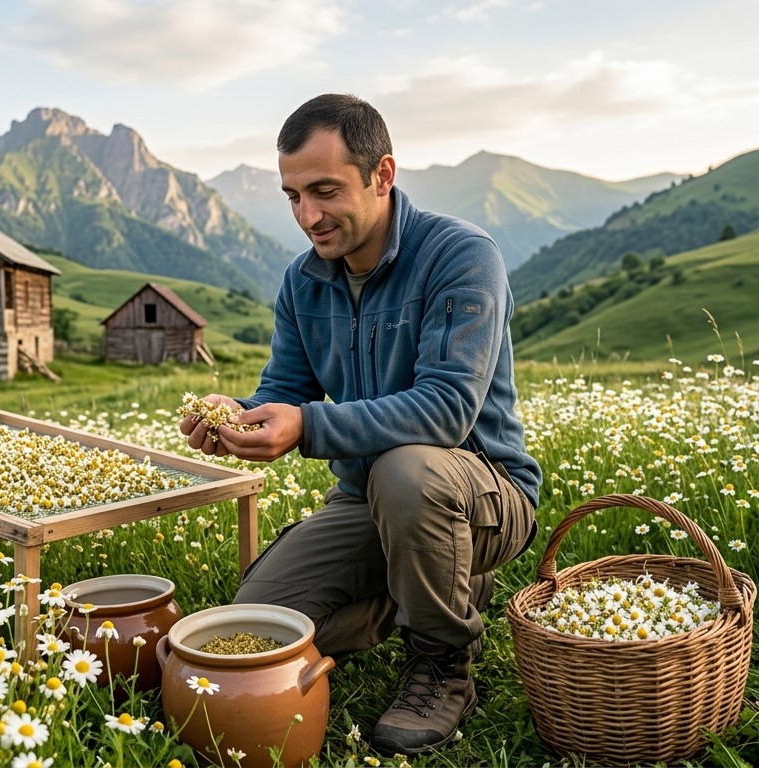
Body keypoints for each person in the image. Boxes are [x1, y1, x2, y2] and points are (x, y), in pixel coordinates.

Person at [179, 93, 541, 757]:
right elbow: (286, 390)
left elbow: (446, 409)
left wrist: (307, 427)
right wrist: (238, 417)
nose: (307, 216)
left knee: (409, 469)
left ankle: (441, 664)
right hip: (365, 502)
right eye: (292, 196)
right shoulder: (303, 282)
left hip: (481, 492)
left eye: (324, 191)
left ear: (383, 175)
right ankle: (432, 583)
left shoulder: (461, 255)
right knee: (258, 624)